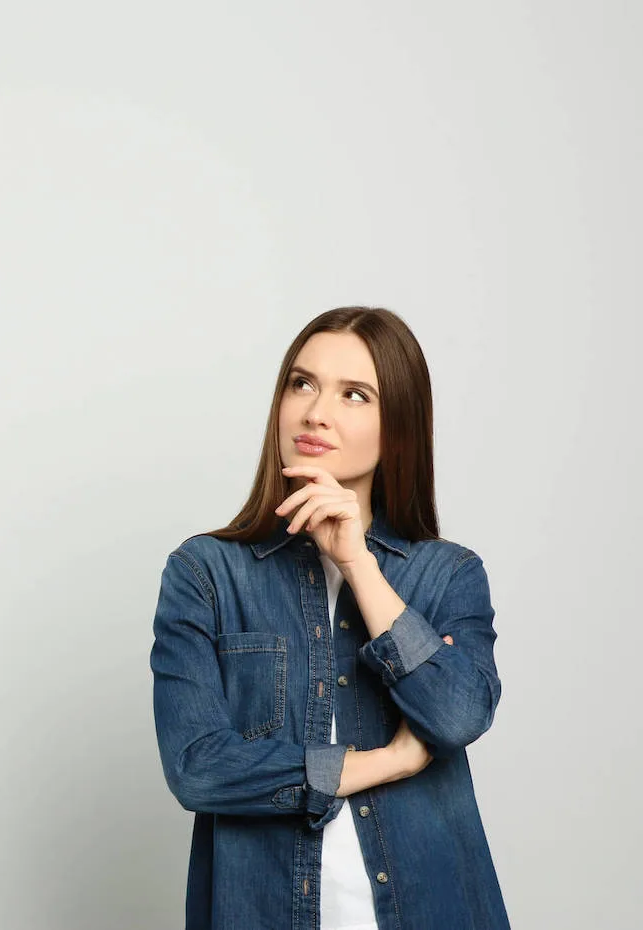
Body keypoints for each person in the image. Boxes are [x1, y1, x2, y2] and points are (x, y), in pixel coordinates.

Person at [149, 307, 509, 929]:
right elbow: (197, 770)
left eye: (355, 395)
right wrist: (387, 762)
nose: (317, 411)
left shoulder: (447, 574)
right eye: (303, 383)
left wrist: (359, 564)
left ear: (397, 426)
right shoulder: (206, 573)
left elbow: (457, 716)